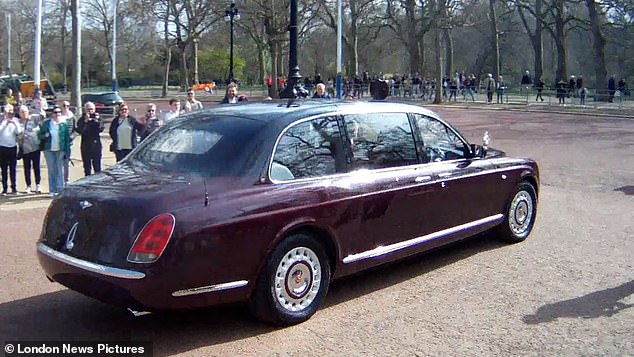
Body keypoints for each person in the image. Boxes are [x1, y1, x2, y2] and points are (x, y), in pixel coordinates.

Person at [38, 106, 70, 196]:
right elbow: (40, 135)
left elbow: (67, 139)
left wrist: (67, 151)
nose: (58, 114)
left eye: (59, 112)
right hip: (49, 149)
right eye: (55, 112)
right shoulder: (47, 123)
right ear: (52, 114)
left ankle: (59, 190)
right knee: (51, 170)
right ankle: (52, 190)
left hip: (60, 149)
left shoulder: (63, 124)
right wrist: (45, 135)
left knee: (59, 169)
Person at [17, 105, 42, 194]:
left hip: (35, 147)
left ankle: (38, 184)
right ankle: (28, 185)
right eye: (22, 112)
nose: (23, 113)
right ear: (19, 113)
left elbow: (42, 116)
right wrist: (21, 137)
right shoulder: (19, 123)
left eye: (25, 111)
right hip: (25, 149)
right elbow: (17, 135)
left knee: (37, 167)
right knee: (26, 168)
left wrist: (38, 107)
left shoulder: (33, 119)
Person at [0, 104, 23, 196]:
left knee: (13, 169)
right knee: (4, 169)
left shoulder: (15, 120)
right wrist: (5, 122)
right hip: (2, 147)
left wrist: (14, 124)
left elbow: (19, 132)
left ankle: (14, 187)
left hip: (12, 147)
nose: (9, 113)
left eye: (11, 111)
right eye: (8, 111)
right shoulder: (1, 121)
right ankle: (5, 188)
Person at [76, 102, 104, 176]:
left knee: (97, 167)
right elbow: (80, 131)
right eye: (88, 109)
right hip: (86, 146)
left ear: (94, 109)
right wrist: (85, 121)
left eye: (91, 109)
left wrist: (96, 121)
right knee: (87, 168)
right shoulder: (82, 119)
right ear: (85, 110)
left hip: (96, 146)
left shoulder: (98, 118)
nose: (90, 111)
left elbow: (101, 129)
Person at [58, 100, 77, 186]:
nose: (66, 107)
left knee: (66, 162)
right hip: (58, 143)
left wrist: (71, 137)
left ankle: (66, 180)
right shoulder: (58, 116)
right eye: (64, 105)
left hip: (68, 143)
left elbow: (76, 130)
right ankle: (59, 180)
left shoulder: (72, 117)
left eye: (67, 106)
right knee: (58, 162)